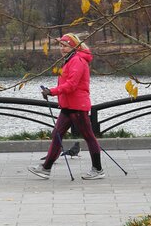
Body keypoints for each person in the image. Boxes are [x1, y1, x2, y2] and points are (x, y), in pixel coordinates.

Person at [28, 33, 105, 180]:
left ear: (73, 46)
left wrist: (52, 91)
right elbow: (66, 84)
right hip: (68, 106)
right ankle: (46, 168)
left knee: (88, 136)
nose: (62, 48)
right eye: (61, 45)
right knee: (57, 134)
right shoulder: (70, 60)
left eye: (65, 45)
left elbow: (71, 85)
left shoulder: (77, 61)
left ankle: (98, 169)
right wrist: (54, 93)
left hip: (77, 106)